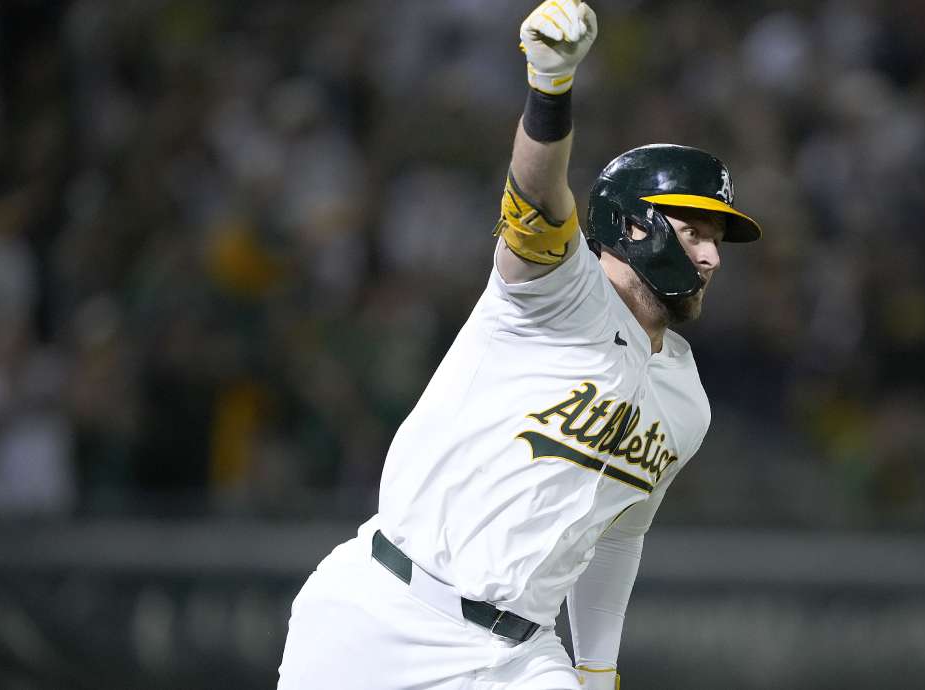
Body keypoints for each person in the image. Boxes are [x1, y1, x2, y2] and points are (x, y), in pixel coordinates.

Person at [278, 2, 761, 688]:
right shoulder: (555, 295)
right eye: (697, 231)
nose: (712, 257)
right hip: (384, 614)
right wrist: (550, 88)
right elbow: (535, 195)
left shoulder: (687, 403)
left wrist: (596, 665)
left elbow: (618, 534)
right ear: (632, 227)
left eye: (719, 240)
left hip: (517, 660)